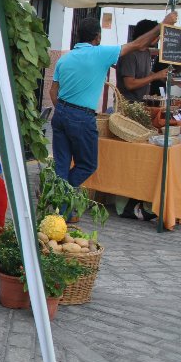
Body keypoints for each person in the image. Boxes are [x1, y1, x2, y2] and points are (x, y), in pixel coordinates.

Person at [50, 12, 177, 221]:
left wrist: (64, 111)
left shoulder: (65, 59)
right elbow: (137, 44)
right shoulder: (101, 53)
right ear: (97, 37)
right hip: (82, 117)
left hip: (61, 113)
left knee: (62, 166)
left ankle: (60, 208)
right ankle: (61, 200)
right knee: (88, 164)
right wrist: (162, 25)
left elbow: (52, 92)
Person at [116, 19, 165, 103]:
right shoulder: (130, 54)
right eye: (156, 34)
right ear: (147, 35)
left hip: (141, 103)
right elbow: (130, 84)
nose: (159, 38)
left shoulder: (146, 51)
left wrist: (162, 76)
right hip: (127, 104)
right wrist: (154, 76)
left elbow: (143, 73)